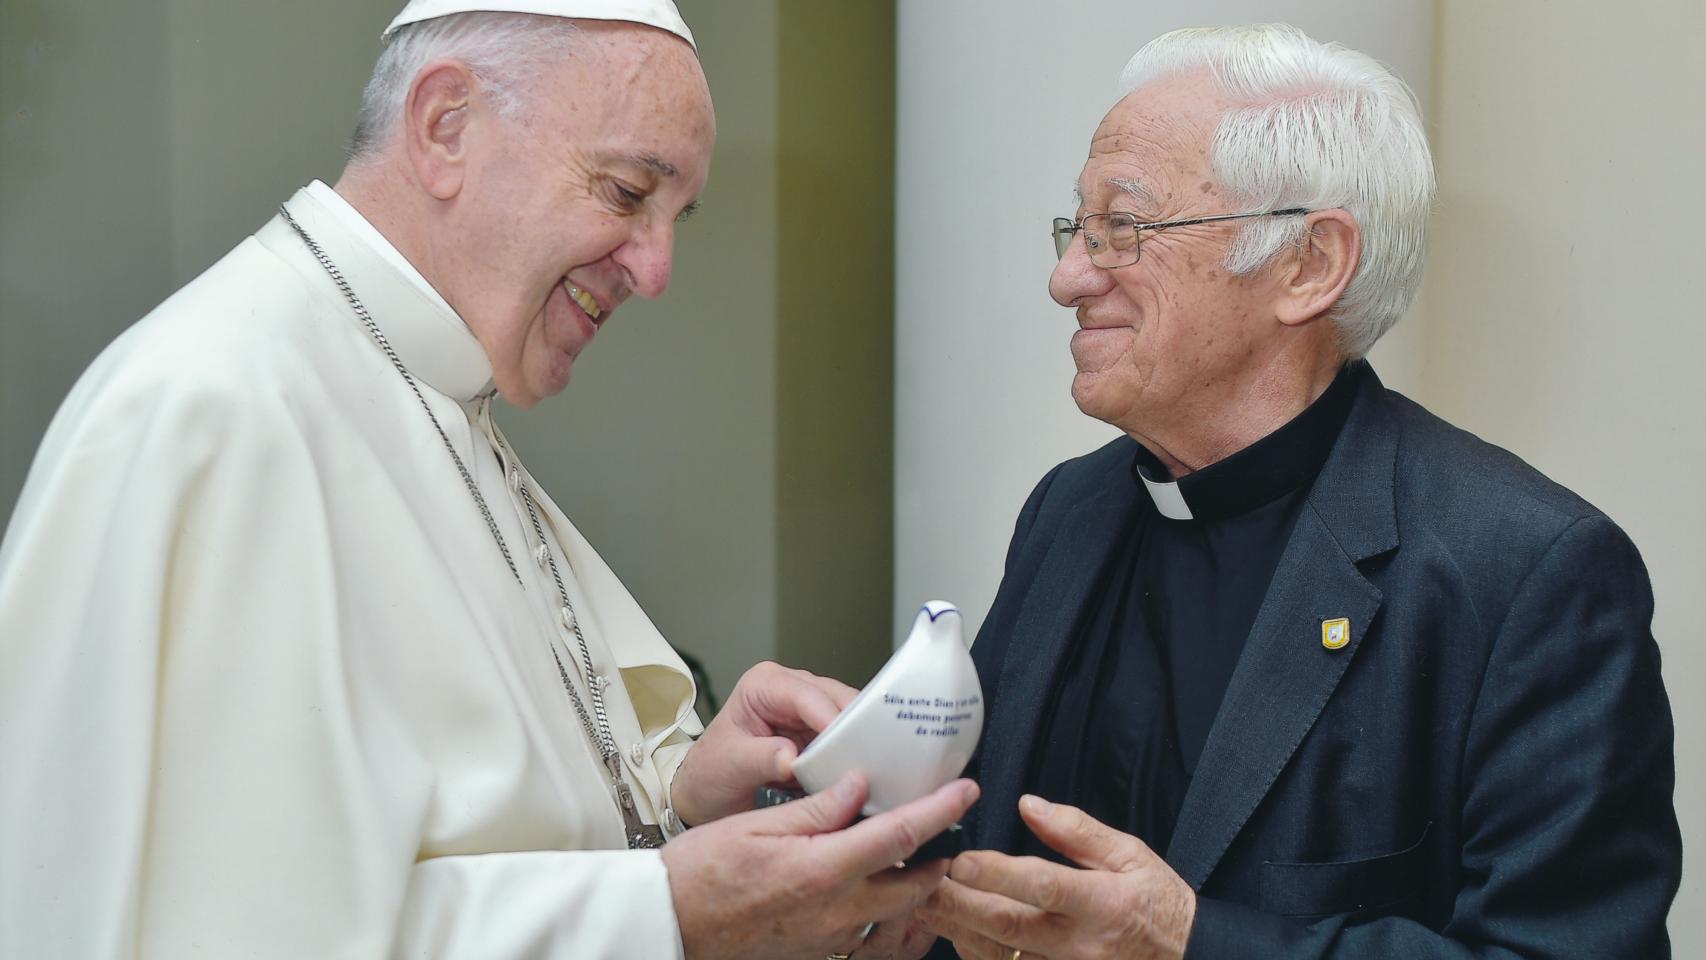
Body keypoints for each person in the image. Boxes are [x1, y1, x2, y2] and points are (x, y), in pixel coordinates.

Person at [0, 3, 973, 958]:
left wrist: (676, 802)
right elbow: (223, 931)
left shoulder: (428, 387)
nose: (657, 268)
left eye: (675, 216)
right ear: (445, 127)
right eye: (628, 193)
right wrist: (668, 913)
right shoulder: (212, 412)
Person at [917, 23, 1680, 960]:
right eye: (1077, 229)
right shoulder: (1069, 510)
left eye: (1123, 229)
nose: (1067, 277)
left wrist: (1193, 945)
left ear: (1310, 265)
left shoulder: (1526, 574)